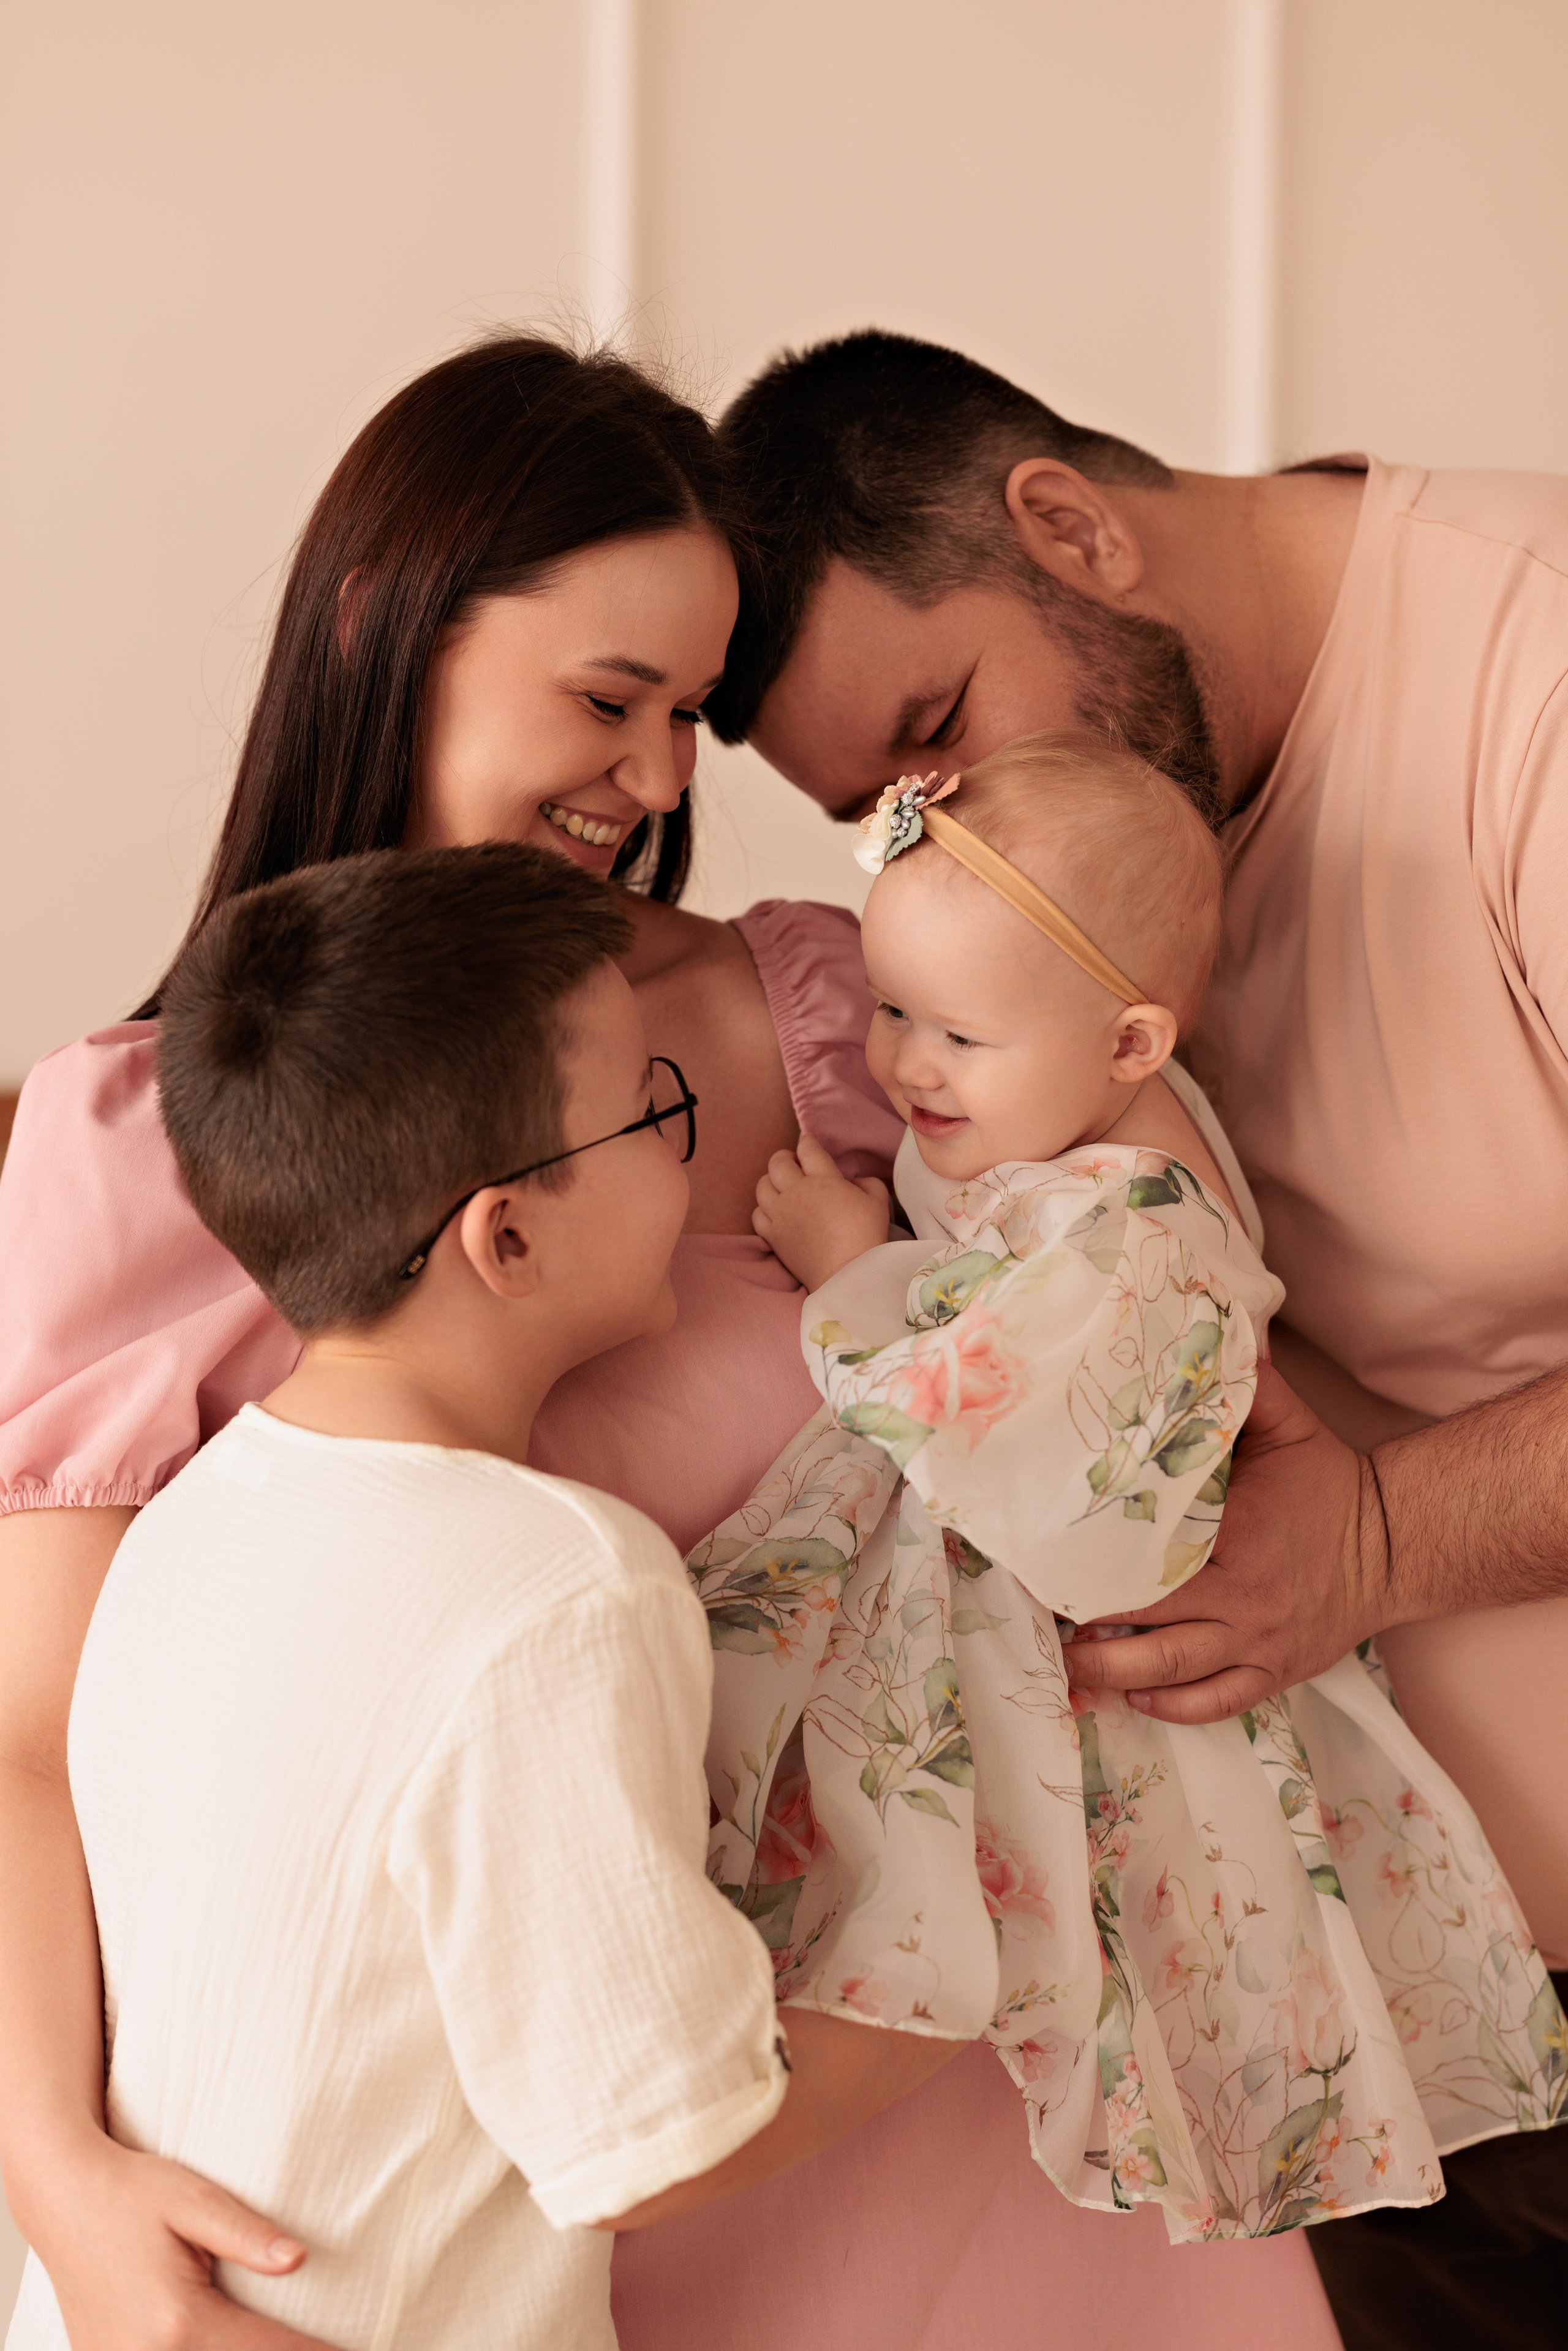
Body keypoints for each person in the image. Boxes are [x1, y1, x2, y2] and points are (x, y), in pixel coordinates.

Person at [0, 333, 1339, 2351]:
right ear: (387, 630)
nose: (654, 778)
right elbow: (36, 1742)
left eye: (690, 715)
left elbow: (1146, 1292)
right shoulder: (155, 1132)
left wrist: (1300, 1474)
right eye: (607, 697)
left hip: (1008, 2104)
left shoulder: (844, 1016)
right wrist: (62, 2178)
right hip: (587, 2182)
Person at [707, 323, 1568, 2342]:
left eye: (937, 727)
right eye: (885, 810)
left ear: (1073, 528)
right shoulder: (1058, 891)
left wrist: (1377, 1535)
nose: (947, 826)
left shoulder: (1527, 682)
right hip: (1414, 2042)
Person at [7, 842, 962, 2350]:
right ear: (504, 1234)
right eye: (652, 1108)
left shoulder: (185, 1529)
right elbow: (654, 2137)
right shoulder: (564, 1585)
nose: (687, 1155)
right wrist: (944, 1984)